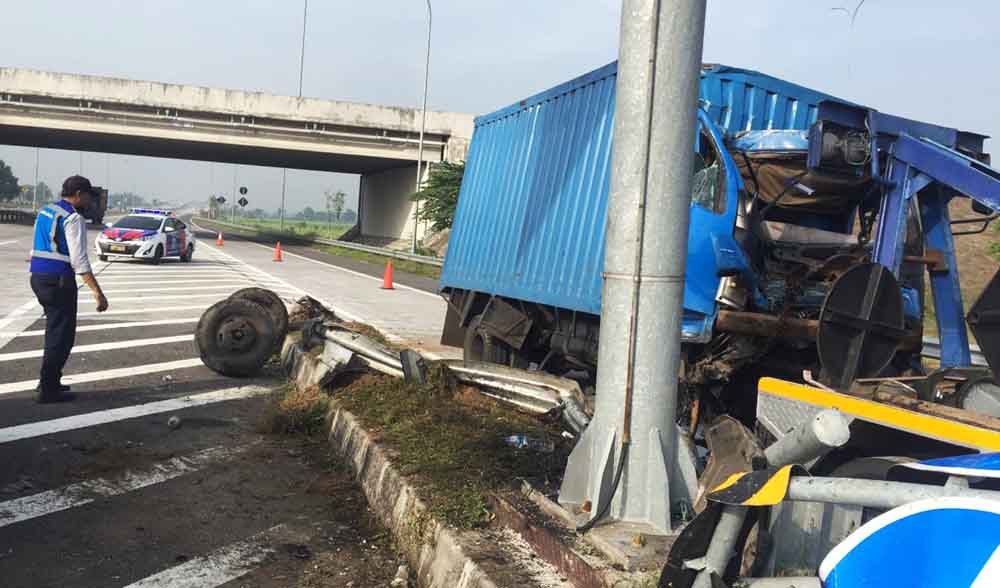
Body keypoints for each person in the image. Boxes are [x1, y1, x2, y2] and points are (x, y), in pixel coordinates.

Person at [28, 175, 109, 403]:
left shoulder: (46, 211)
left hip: (39, 278)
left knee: (54, 332)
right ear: (79, 194)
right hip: (59, 281)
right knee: (62, 336)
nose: (89, 202)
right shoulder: (73, 218)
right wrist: (97, 292)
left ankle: (48, 382)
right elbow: (80, 260)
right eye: (88, 197)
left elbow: (37, 245)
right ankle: (48, 390)